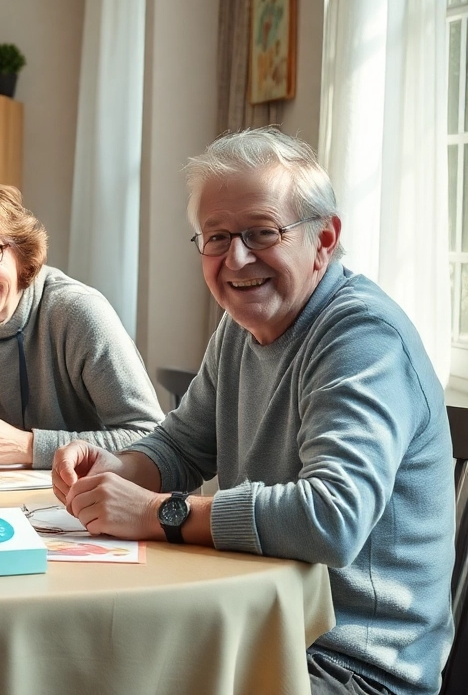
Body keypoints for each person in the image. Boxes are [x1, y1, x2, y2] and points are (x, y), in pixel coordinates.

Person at [52, 128, 453, 695]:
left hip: (349, 669)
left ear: (324, 239)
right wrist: (118, 470)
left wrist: (159, 513)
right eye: (215, 238)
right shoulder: (241, 327)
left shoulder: (363, 337)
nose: (236, 258)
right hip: (261, 631)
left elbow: (331, 519)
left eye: (261, 232)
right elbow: (183, 444)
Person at [0, 180, 162, 468]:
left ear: (20, 254)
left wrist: (30, 446)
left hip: (76, 498)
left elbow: (149, 436)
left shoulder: (79, 313)